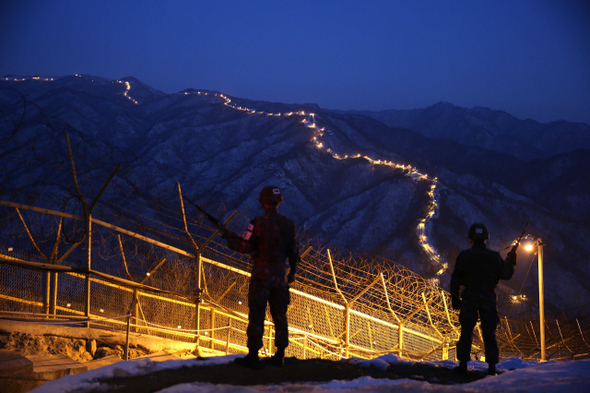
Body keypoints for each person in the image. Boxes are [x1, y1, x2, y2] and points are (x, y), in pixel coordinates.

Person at [222, 185, 299, 369]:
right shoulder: (289, 224)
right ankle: (280, 355)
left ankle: (253, 355)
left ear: (262, 201)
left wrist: (230, 240)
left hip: (260, 276)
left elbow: (245, 247)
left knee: (257, 314)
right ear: (279, 201)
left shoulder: (256, 223)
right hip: (279, 277)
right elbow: (294, 251)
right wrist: (292, 272)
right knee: (280, 315)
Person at [450, 223, 516, 376]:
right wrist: (511, 261)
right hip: (487, 297)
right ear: (486, 238)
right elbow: (506, 274)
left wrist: (455, 299)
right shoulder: (493, 257)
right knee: (489, 333)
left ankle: (463, 365)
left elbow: (455, 280)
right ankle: (492, 367)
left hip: (470, 297)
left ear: (470, 238)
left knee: (466, 331)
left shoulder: (464, 256)